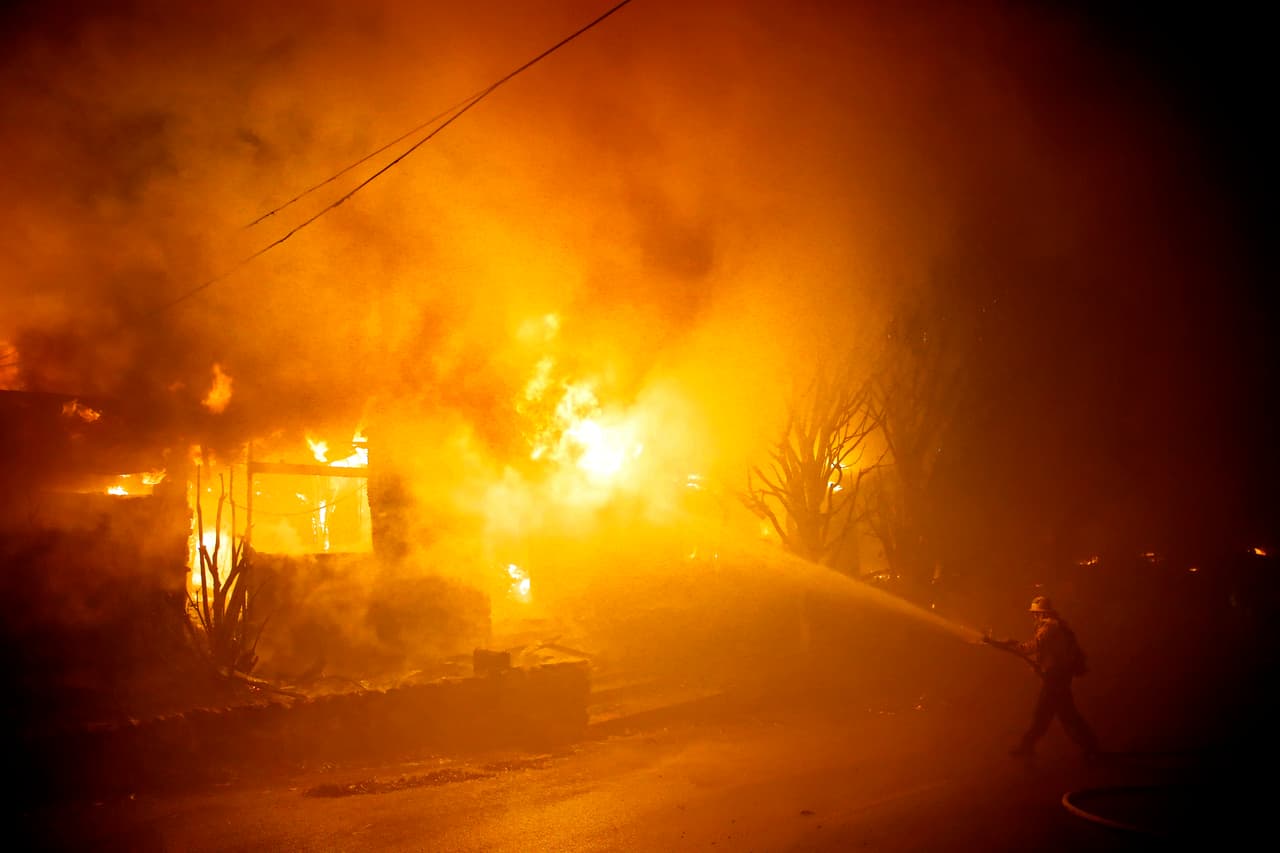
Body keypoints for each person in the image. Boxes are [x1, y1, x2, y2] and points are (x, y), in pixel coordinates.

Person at [984, 595, 1100, 760]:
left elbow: (1028, 649)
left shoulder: (1048, 628)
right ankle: (1029, 746)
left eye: (1035, 613)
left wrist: (1002, 644)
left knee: (1054, 716)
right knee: (1055, 715)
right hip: (1058, 676)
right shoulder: (1055, 625)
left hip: (1056, 678)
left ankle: (1091, 748)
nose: (1034, 616)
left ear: (1042, 613)